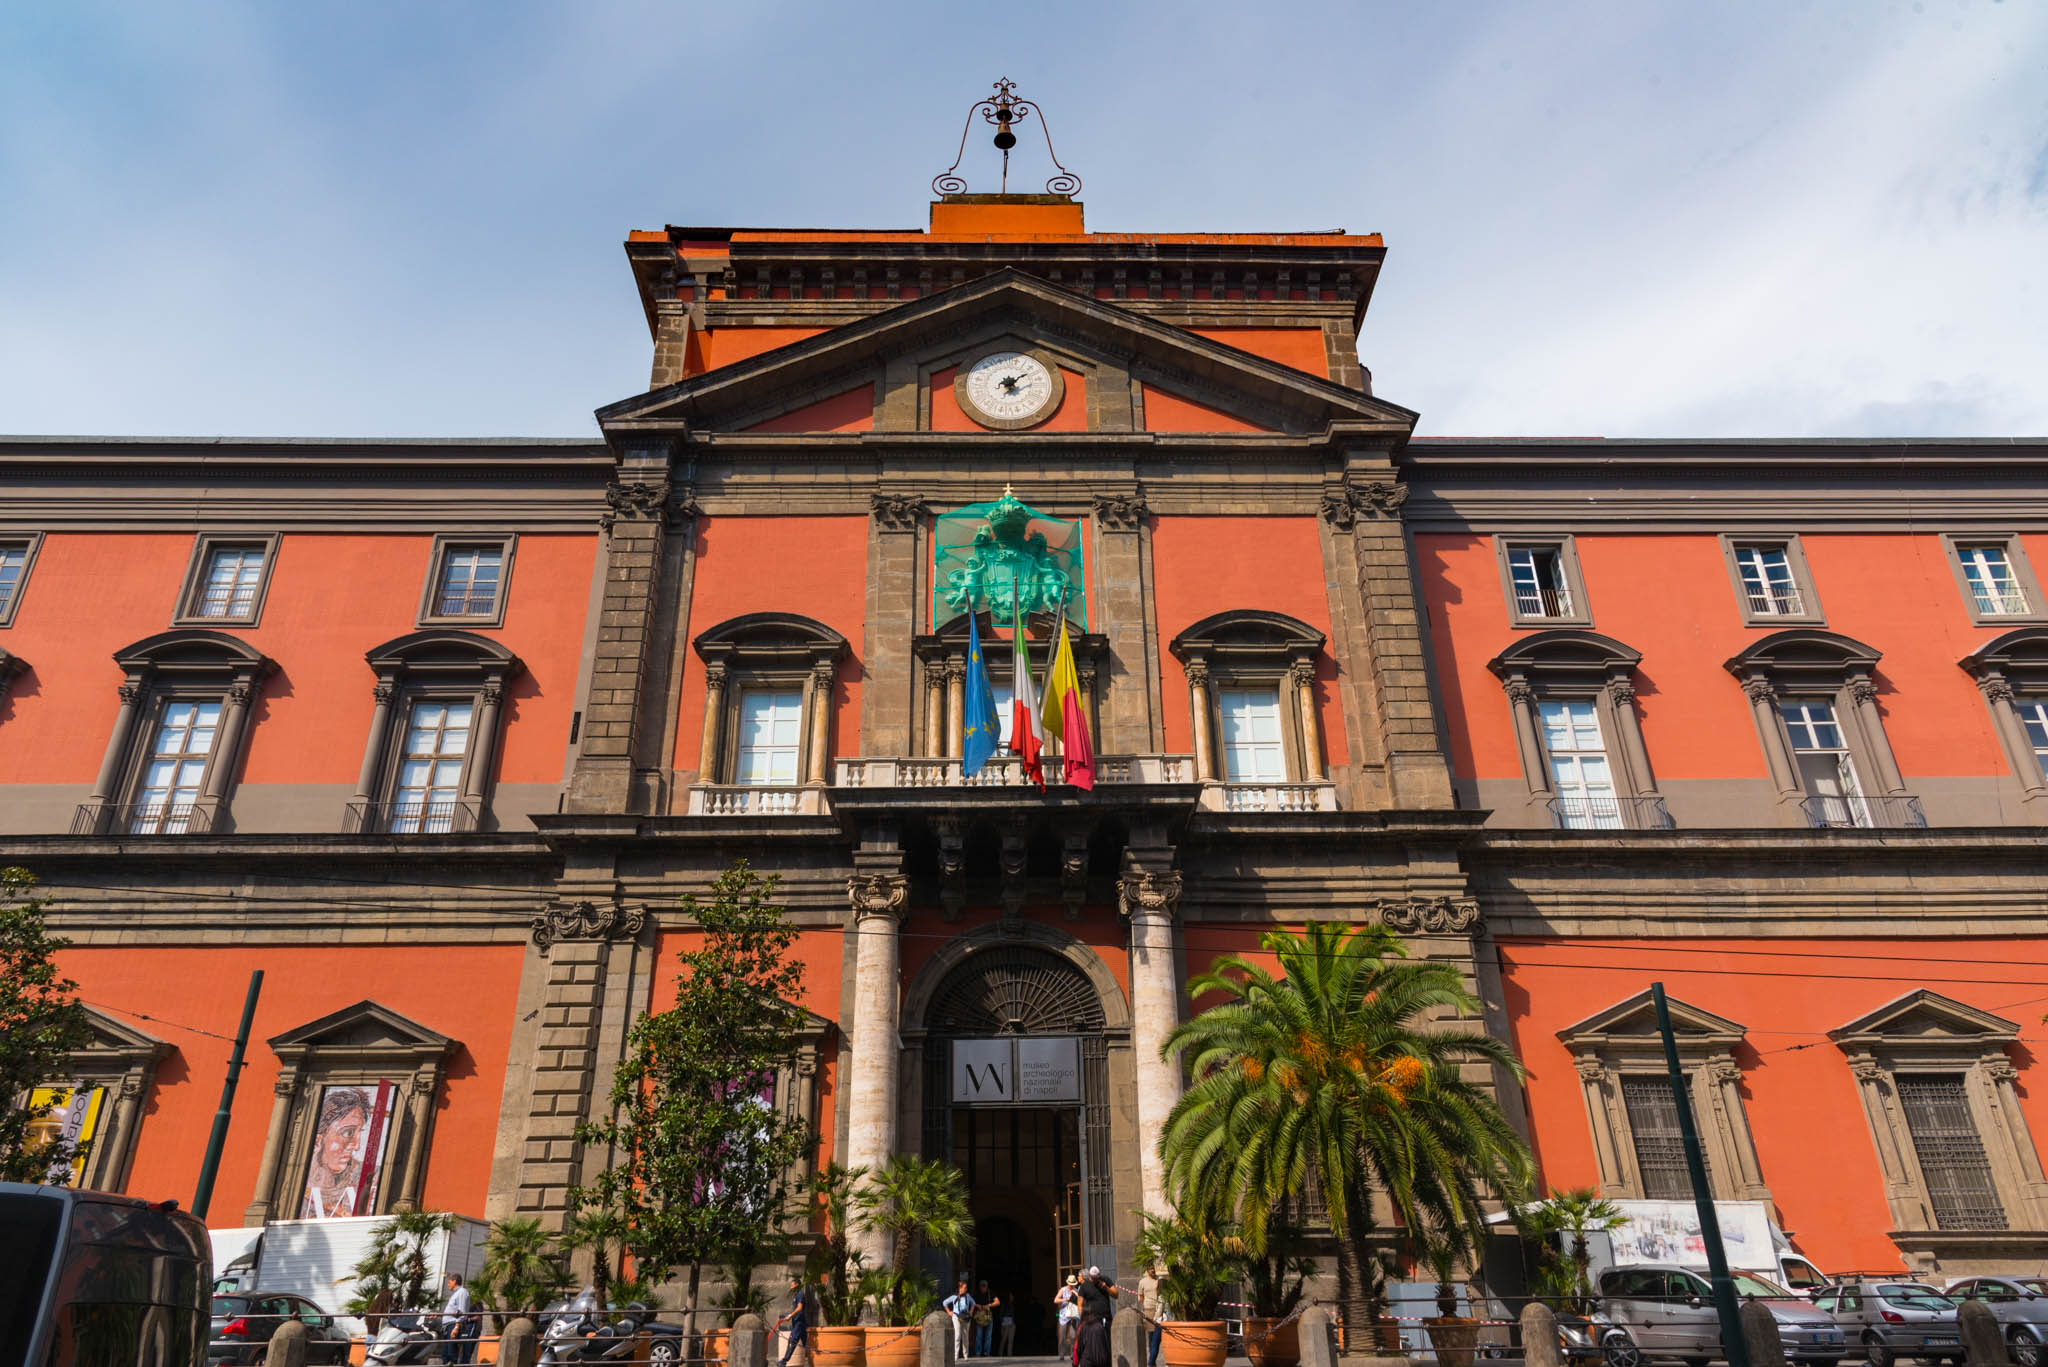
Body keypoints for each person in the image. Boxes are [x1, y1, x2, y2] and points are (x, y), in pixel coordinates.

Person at [300, 1086, 371, 1218]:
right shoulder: (298, 1182)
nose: (357, 1146)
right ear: (317, 1140)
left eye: (359, 1132)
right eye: (348, 1133)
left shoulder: (367, 1179)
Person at [776, 1272, 817, 1367]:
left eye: (792, 1284)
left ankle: (784, 1361)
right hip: (798, 1323)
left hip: (799, 1323)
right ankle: (812, 1362)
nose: (791, 1286)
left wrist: (790, 1315)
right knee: (805, 1344)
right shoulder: (797, 1295)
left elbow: (799, 1308)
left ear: (797, 1285)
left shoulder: (800, 1294)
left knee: (792, 1341)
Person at [438, 1272, 474, 1365]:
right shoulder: (456, 1293)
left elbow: (461, 1311)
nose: (448, 1284)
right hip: (448, 1326)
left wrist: (457, 1327)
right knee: (445, 1354)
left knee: (451, 1353)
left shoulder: (462, 1292)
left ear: (454, 1281)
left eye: (449, 1282)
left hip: (453, 1325)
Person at [1137, 1265, 1163, 1367]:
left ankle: (1151, 1362)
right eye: (1150, 1268)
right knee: (1151, 1337)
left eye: (1154, 1268)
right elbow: (1140, 1296)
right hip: (1148, 1311)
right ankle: (1153, 1363)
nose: (1153, 1270)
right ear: (1147, 1270)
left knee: (1156, 1339)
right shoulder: (1142, 1282)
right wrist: (1146, 1304)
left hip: (1159, 1311)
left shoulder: (1159, 1281)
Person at [944, 1280, 976, 1362]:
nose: (966, 1289)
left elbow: (973, 1304)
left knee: (965, 1336)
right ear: (960, 1288)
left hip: (965, 1317)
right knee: (957, 1335)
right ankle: (956, 1356)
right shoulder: (954, 1296)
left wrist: (971, 1312)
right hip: (956, 1316)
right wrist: (949, 1312)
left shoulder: (968, 1296)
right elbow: (944, 1303)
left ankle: (966, 1355)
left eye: (966, 1287)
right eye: (964, 1287)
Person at [1055, 1276, 1080, 1362]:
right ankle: (1062, 1354)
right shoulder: (1063, 1290)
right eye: (1070, 1284)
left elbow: (1080, 1301)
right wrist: (1065, 1299)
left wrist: (1076, 1295)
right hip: (1064, 1316)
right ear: (1067, 1283)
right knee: (1062, 1336)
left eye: (1073, 1284)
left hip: (1073, 1315)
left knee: (1073, 1336)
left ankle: (1072, 1354)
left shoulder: (1076, 1290)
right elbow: (1055, 1300)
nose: (1072, 1286)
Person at [974, 1281, 996, 1357]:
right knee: (979, 1336)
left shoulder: (991, 1293)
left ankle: (987, 1353)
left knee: (988, 1336)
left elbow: (997, 1302)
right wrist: (977, 1305)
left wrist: (989, 1305)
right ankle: (978, 1353)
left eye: (984, 1286)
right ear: (979, 1287)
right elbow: (971, 1302)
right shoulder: (977, 1294)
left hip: (988, 1317)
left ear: (987, 1287)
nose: (983, 1288)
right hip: (980, 1317)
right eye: (982, 1286)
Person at [999, 1290, 1016, 1357]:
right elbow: (1000, 1315)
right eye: (1011, 1296)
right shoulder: (1004, 1305)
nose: (1012, 1297)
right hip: (1005, 1324)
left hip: (1012, 1323)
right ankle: (1000, 1353)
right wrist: (1003, 1321)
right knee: (1004, 1339)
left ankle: (1009, 1354)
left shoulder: (1013, 1305)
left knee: (1011, 1340)